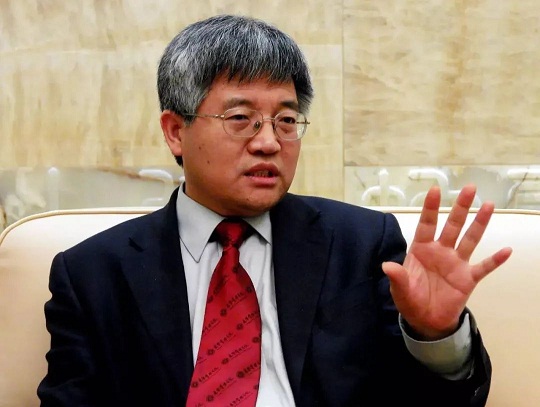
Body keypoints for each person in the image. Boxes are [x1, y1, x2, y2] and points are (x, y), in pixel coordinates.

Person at [37, 14, 512, 407]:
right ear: (176, 132)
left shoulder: (362, 244)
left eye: (286, 120)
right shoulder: (92, 274)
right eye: (240, 118)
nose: (268, 142)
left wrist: (434, 336)